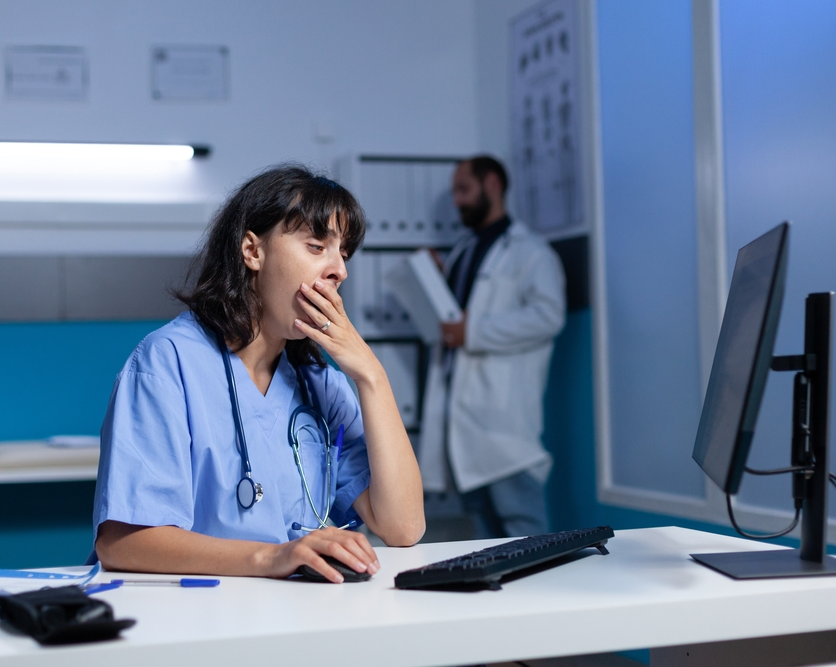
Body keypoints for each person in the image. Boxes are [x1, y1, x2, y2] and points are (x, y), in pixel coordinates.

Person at [92, 165, 425, 583]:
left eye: (344, 253)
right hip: (197, 617)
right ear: (252, 251)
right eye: (317, 245)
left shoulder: (321, 384)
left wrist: (372, 376)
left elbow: (404, 526)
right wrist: (274, 557)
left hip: (298, 614)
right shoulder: (168, 362)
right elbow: (123, 541)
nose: (339, 269)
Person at [418, 155, 565, 539]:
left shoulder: (531, 253)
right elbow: (453, 318)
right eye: (454, 192)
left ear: (493, 185)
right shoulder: (464, 251)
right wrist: (435, 280)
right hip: (465, 423)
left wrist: (474, 332)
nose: (458, 201)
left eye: (464, 190)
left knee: (525, 532)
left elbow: (548, 316)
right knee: (486, 540)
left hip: (505, 425)